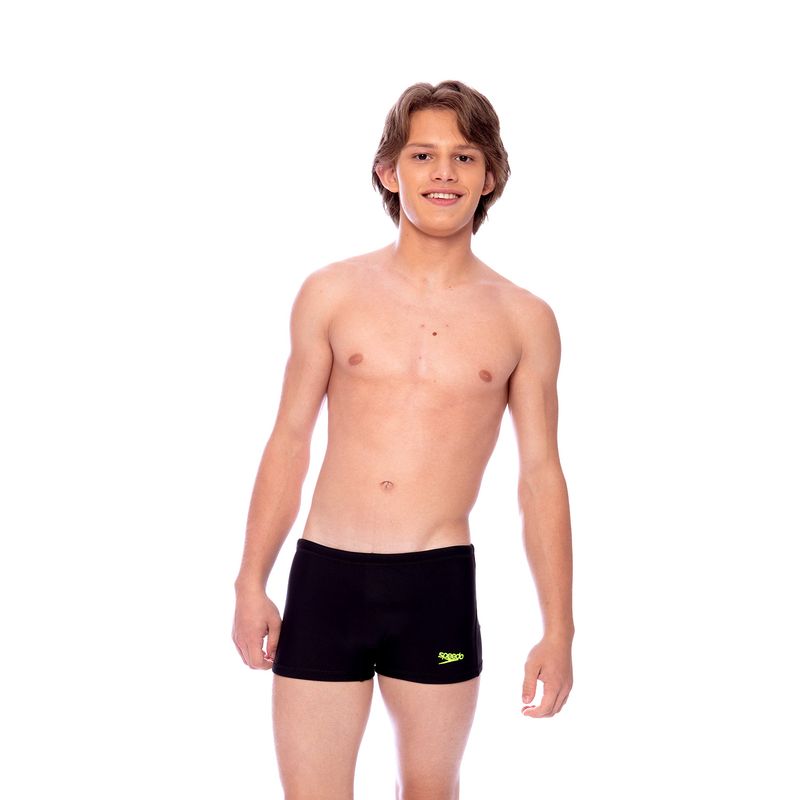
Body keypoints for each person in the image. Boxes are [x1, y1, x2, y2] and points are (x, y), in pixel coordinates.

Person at [232, 79, 574, 799]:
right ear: (390, 171)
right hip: (327, 578)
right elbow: (289, 441)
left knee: (430, 790)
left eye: (465, 156)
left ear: (490, 176)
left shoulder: (524, 318)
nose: (444, 172)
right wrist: (250, 581)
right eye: (423, 155)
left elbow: (540, 475)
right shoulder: (331, 292)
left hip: (435, 585)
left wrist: (558, 630)